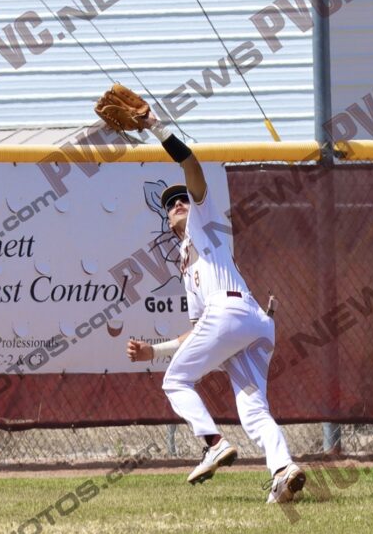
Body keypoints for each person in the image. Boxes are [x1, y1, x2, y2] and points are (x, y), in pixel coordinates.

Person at [126, 111, 305, 504]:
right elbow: (198, 329)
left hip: (233, 314)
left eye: (181, 199)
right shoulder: (185, 262)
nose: (178, 203)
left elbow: (190, 164)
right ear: (166, 221)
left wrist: (155, 126)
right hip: (252, 324)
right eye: (170, 204)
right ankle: (283, 470)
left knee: (175, 382)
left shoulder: (202, 221)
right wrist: (154, 350)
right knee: (253, 408)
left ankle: (213, 444)